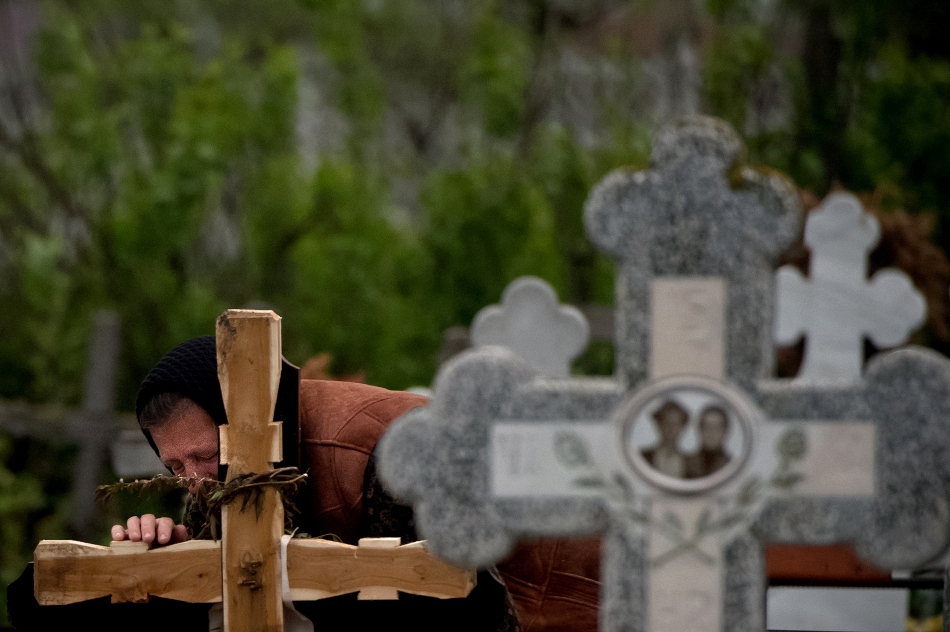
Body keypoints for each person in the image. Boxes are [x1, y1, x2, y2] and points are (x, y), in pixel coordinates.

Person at [112, 336, 601, 631]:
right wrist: (172, 556)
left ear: (240, 422)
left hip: (559, 595)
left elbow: (455, 598)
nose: (195, 481)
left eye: (205, 455)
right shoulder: (232, 475)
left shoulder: (381, 457)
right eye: (175, 466)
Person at [640, 399, 689, 478]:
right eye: (667, 423)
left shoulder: (691, 462)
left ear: (682, 427)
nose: (670, 428)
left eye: (675, 424)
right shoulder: (644, 457)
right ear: (659, 425)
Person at [685, 405, 731, 478]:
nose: (711, 432)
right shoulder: (685, 464)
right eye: (707, 426)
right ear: (699, 430)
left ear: (725, 431)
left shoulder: (732, 466)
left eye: (716, 428)